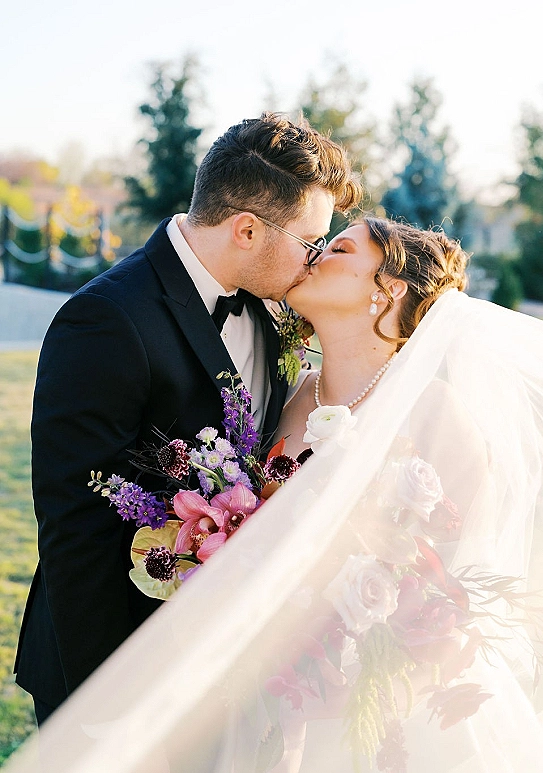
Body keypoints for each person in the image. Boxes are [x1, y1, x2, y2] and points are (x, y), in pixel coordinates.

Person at [6, 217, 543, 773]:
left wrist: (355, 661)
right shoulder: (291, 395)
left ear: (388, 291)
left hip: (369, 697)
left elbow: (456, 586)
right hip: (260, 686)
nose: (317, 253)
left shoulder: (436, 414)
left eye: (341, 249)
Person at [13, 111, 362, 727]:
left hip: (219, 669)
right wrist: (109, 709)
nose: (315, 262)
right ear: (248, 231)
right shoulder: (105, 321)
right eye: (310, 244)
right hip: (116, 670)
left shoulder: (271, 306)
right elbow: (76, 530)